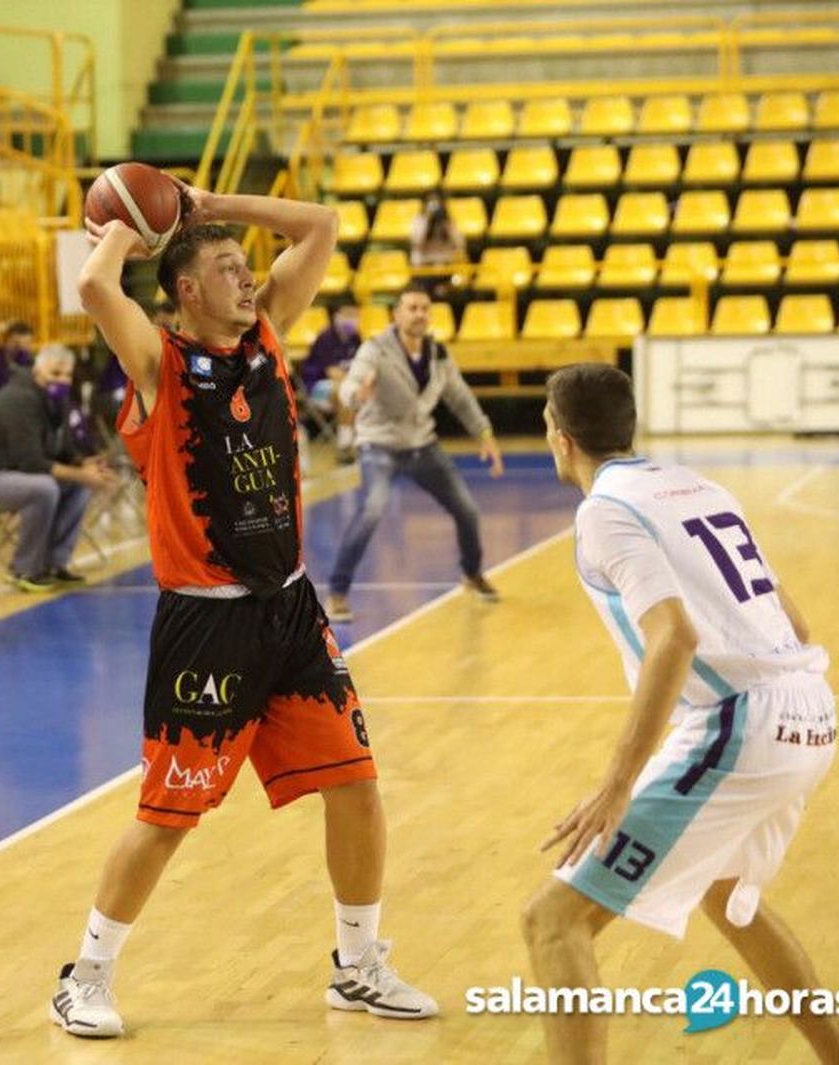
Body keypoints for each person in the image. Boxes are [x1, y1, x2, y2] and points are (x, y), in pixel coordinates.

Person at [51, 180, 437, 1038]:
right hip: (206, 623)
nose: (248, 277)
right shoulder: (157, 365)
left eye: (246, 265)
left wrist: (202, 200)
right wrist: (125, 227)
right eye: (228, 268)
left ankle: (358, 963)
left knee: (358, 785)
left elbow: (320, 225)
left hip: (290, 608)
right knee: (167, 816)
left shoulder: (265, 338)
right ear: (185, 290)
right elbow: (91, 287)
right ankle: (85, 974)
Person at [524, 363, 839, 1064]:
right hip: (812, 708)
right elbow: (792, 620)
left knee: (554, 920)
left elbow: (674, 636)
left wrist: (618, 783)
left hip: (745, 725)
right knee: (725, 891)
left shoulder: (604, 511)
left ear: (560, 437)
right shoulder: (698, 485)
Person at [324, 285, 504, 622]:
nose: (419, 314)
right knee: (372, 511)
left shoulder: (438, 354)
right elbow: (350, 384)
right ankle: (337, 593)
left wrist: (484, 432)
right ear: (397, 314)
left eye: (424, 308)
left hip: (422, 444)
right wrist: (356, 395)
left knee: (467, 509)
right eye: (412, 308)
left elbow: (460, 397)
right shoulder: (375, 349)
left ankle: (472, 573)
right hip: (380, 444)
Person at [0, 344, 116, 592]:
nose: (62, 380)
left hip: (12, 475)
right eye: (55, 373)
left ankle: (54, 564)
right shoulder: (20, 399)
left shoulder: (56, 400)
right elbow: (32, 462)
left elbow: (63, 451)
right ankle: (24, 570)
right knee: (44, 488)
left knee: (78, 486)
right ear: (38, 372)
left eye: (67, 375)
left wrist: (86, 465)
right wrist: (82, 474)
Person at [298, 303, 362, 457]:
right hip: (316, 388)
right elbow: (333, 373)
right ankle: (345, 446)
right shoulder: (326, 337)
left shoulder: (356, 338)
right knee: (345, 391)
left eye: (355, 315)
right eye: (348, 314)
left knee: (356, 392)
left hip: (347, 388)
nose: (352, 319)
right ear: (336, 316)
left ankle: (353, 443)